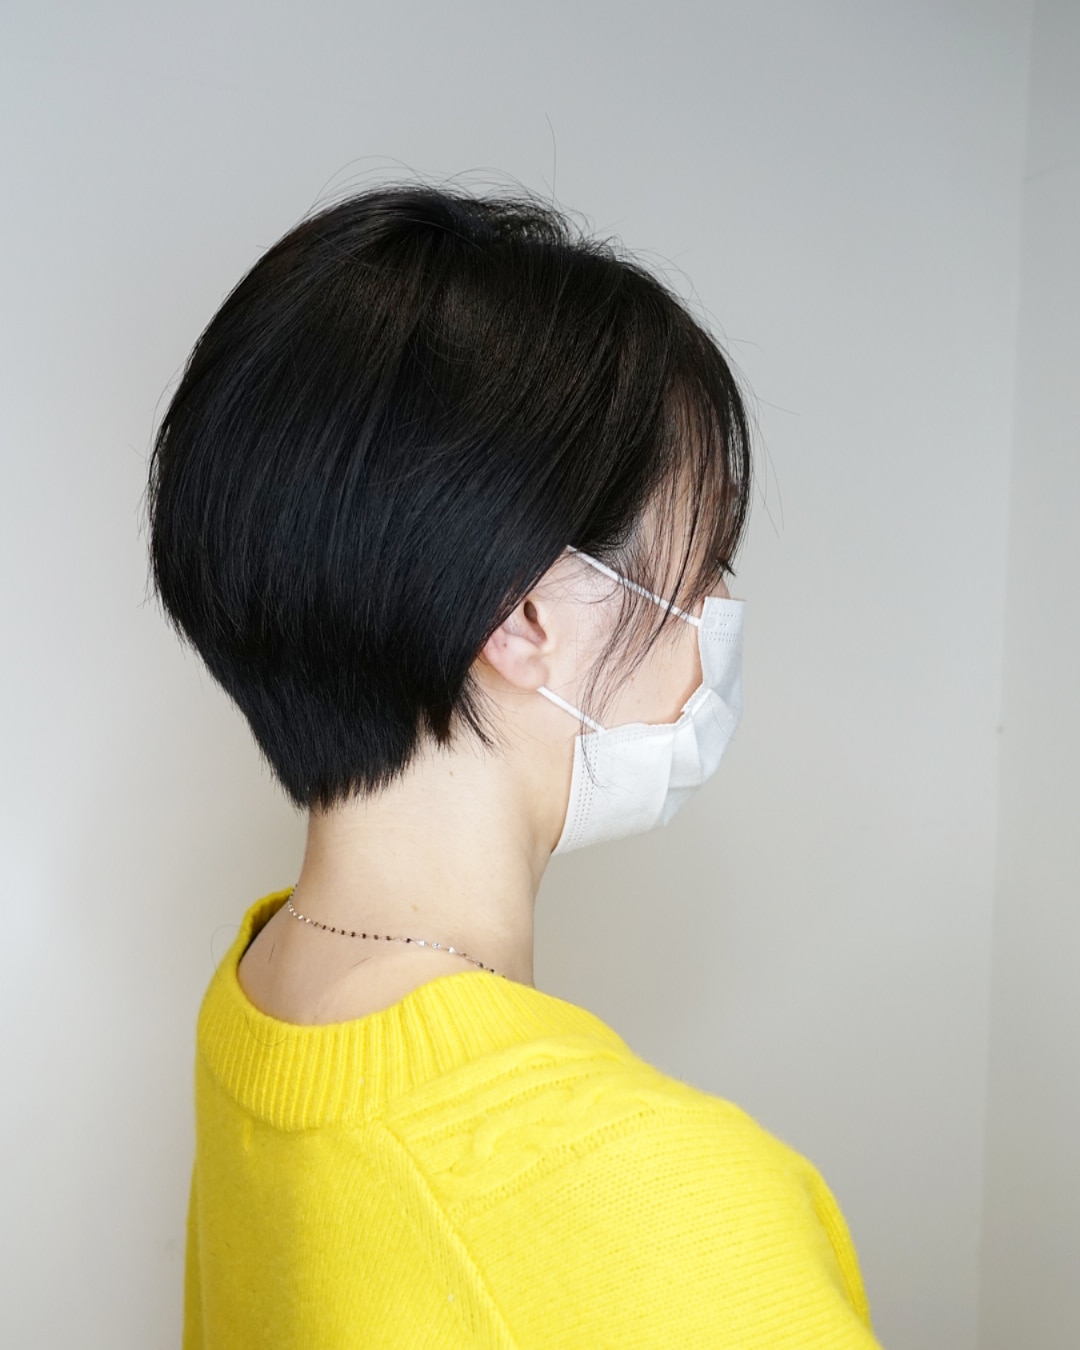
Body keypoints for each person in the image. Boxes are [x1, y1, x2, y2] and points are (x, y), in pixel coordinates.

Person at [147, 180, 882, 1348]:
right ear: (528, 618)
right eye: (706, 563)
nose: (717, 617)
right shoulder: (666, 1205)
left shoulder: (259, 1000)